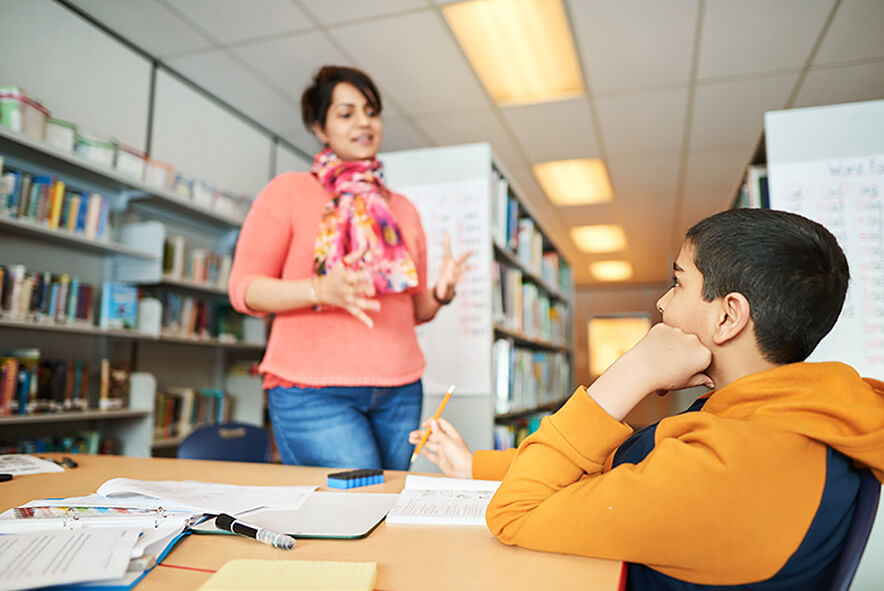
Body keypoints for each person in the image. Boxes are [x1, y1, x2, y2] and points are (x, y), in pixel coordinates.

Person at [410, 208, 884, 590]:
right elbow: (617, 466)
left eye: (678, 283)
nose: (662, 303)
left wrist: (630, 372)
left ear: (727, 317)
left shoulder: (721, 470)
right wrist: (472, 466)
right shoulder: (786, 413)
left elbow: (514, 515)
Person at [229, 65, 472, 471]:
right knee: (355, 504)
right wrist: (319, 290)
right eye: (346, 113)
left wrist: (442, 293)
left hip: (399, 389)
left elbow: (414, 312)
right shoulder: (288, 191)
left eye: (371, 111)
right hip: (312, 391)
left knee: (387, 509)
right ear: (320, 128)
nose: (364, 122)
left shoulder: (402, 209)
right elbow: (244, 289)